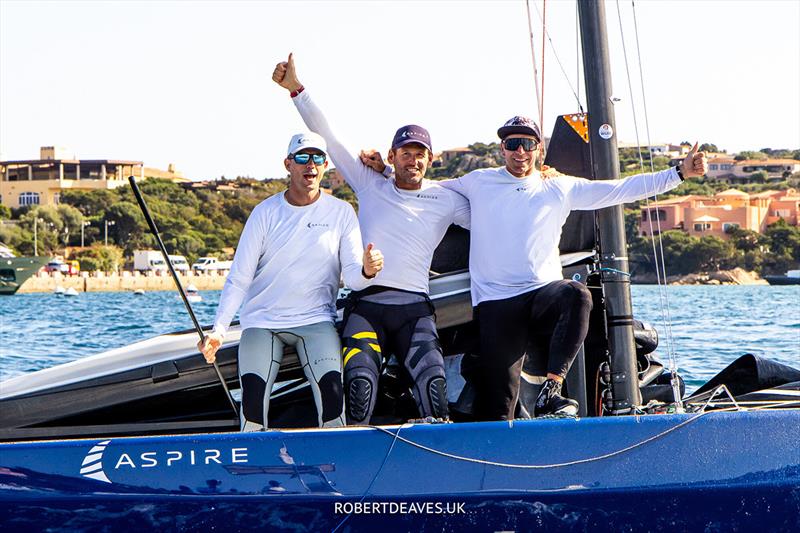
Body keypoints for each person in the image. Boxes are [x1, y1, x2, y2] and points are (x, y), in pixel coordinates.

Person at [437, 116, 708, 420]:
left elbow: (619, 190)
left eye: (527, 144)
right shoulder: (478, 181)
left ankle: (551, 390)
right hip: (496, 303)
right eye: (513, 144)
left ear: (538, 148)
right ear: (502, 148)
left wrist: (679, 173)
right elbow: (423, 190)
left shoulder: (558, 187)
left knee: (579, 296)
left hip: (542, 294)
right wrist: (376, 174)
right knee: (499, 406)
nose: (520, 152)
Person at [272, 54, 470, 425]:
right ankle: (354, 456)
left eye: (420, 155)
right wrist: (296, 90)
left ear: (431, 160)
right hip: (366, 306)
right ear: (391, 156)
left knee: (434, 389)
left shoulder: (446, 199)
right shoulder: (371, 183)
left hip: (414, 309)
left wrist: (536, 185)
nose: (413, 161)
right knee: (360, 386)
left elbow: (500, 218)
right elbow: (329, 138)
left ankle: (440, 457)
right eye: (405, 153)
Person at [198, 132, 384, 431]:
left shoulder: (341, 213)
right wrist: (218, 331)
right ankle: (250, 467)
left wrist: (367, 270)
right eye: (302, 157)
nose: (310, 164)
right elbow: (239, 277)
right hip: (263, 323)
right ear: (288, 164)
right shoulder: (265, 213)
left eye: (318, 158)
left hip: (315, 321)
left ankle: (336, 468)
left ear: (325, 166)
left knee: (334, 401)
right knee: (254, 406)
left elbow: (353, 278)